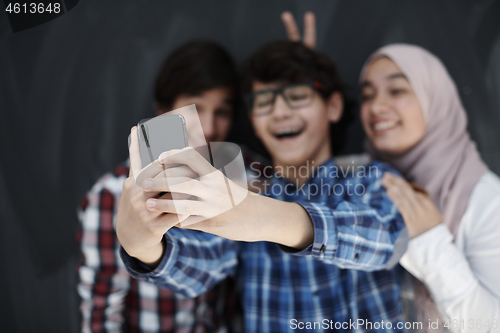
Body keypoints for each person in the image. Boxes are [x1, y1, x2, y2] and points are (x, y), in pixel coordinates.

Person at [116, 40, 410, 332]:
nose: (279, 112)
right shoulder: (241, 185)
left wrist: (266, 218)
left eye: (297, 95)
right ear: (253, 121)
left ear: (333, 106)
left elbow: (388, 240)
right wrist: (145, 246)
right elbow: (202, 264)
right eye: (264, 101)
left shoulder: (371, 178)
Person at [77, 40, 269, 333]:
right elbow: (101, 312)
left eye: (222, 112)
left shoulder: (246, 171)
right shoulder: (111, 196)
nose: (209, 127)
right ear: (163, 109)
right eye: (195, 108)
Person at [359, 44, 500, 332]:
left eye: (397, 90)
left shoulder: (487, 202)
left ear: (434, 98)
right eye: (367, 95)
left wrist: (430, 241)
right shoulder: (365, 184)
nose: (376, 107)